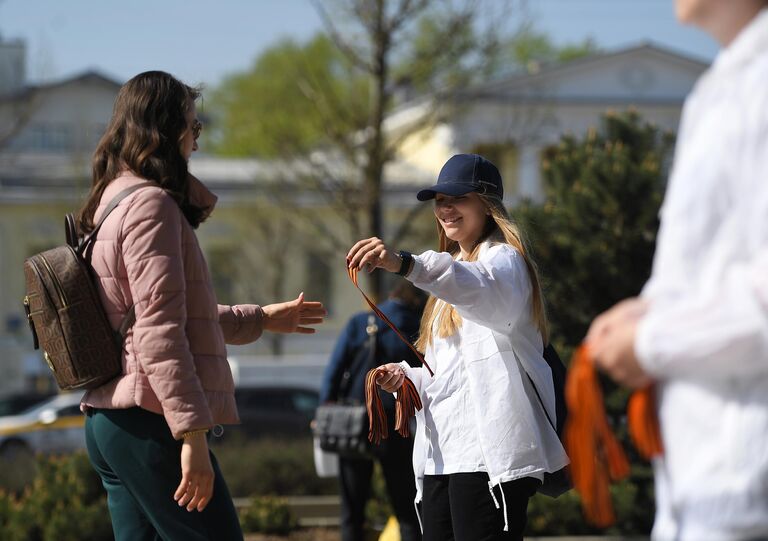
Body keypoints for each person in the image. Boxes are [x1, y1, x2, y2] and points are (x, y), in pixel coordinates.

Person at [78, 71, 327, 541]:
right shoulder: (151, 206)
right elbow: (158, 333)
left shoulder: (109, 201)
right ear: (168, 130)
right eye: (195, 127)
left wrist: (261, 318)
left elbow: (155, 320)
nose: (196, 140)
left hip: (111, 420)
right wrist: (191, 435)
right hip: (150, 421)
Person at [586, 1, 768, 539]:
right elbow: (711, 264)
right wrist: (647, 309)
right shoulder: (720, 86)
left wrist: (649, 341)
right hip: (705, 485)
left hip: (748, 486)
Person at [346, 154, 569, 541]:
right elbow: (450, 374)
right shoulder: (448, 277)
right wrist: (407, 378)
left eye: (457, 198)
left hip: (489, 456)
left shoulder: (504, 262)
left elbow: (479, 287)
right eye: (439, 200)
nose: (445, 208)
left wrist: (404, 264)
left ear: (487, 204)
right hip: (441, 455)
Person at [320, 280, 426, 541]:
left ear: (391, 295)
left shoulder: (360, 322)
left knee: (353, 508)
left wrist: (326, 405)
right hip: (396, 422)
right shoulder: (416, 325)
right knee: (406, 506)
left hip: (355, 422)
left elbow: (333, 371)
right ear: (416, 301)